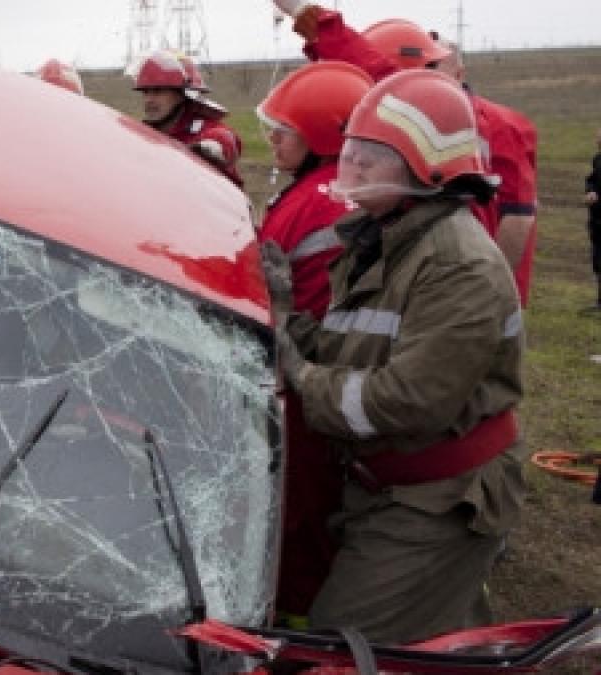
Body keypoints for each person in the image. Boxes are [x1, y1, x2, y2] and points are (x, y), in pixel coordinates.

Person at [264, 69, 526, 644]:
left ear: (426, 173)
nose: (348, 167)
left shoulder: (459, 266)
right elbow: (350, 352)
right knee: (428, 638)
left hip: (435, 499)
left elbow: (404, 403)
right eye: (350, 151)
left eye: (370, 157)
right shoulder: (379, 239)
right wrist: (282, 317)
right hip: (387, 485)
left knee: (341, 645)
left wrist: (300, 376)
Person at [270, 0, 540, 306]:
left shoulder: (437, 113)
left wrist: (487, 293)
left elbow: (517, 221)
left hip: (458, 276)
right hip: (436, 265)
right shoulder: (463, 118)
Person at [255, 61, 373, 624]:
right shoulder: (345, 191)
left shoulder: (309, 201)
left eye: (286, 128)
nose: (273, 137)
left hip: (300, 373)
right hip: (338, 369)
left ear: (325, 134)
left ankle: (295, 625)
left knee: (298, 507)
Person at [132, 50, 243, 188]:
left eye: (158, 91)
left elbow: (226, 138)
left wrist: (211, 148)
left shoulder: (204, 130)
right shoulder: (144, 135)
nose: (149, 99)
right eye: (145, 92)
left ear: (182, 95)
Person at [585, 127, 601, 310]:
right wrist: (591, 191)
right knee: (598, 260)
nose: (598, 140)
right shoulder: (598, 160)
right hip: (597, 221)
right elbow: (591, 180)